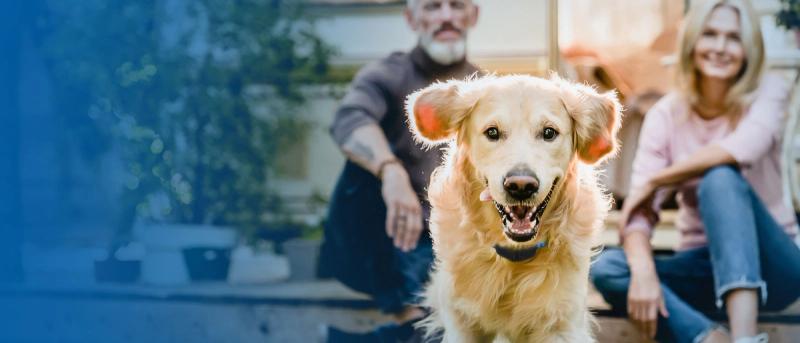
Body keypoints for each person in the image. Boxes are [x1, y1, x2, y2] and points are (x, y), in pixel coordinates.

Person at [590, 1, 800, 342]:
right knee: (607, 267)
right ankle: (709, 337)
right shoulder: (665, 115)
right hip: (704, 269)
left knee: (720, 178)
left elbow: (740, 150)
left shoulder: (770, 91)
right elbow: (640, 217)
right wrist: (643, 272)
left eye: (733, 38)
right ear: (692, 42)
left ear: (749, 47)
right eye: (710, 34)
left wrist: (658, 180)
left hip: (775, 269)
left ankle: (745, 338)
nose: (720, 47)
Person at [317, 0, 480, 341]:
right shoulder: (387, 74)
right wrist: (391, 171)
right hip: (383, 237)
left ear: (473, 15)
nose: (446, 16)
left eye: (456, 5)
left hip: (448, 241)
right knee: (363, 167)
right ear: (411, 18)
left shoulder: (485, 89)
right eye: (433, 7)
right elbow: (350, 120)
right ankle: (411, 312)